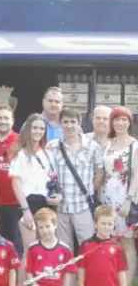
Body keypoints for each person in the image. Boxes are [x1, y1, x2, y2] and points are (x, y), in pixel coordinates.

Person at [9, 113, 60, 286]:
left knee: (42, 250)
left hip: (45, 202)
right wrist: (25, 210)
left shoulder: (46, 152)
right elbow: (16, 185)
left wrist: (56, 196)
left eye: (41, 128)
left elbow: (51, 179)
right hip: (28, 204)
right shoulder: (20, 153)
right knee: (29, 251)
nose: (38, 132)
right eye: (35, 128)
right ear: (27, 129)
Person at [46, 108, 103, 254]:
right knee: (64, 252)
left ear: (79, 123)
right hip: (61, 209)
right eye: (66, 122)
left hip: (82, 207)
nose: (69, 125)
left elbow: (99, 173)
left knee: (89, 250)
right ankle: (69, 278)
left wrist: (89, 191)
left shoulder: (92, 147)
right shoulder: (52, 147)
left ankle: (87, 277)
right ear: (60, 123)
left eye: (73, 122)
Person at [100, 106, 138, 286]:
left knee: (127, 243)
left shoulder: (135, 145)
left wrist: (129, 200)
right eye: (117, 120)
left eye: (125, 120)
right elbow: (103, 173)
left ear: (129, 123)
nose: (121, 123)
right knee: (111, 243)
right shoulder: (107, 144)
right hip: (107, 198)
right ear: (112, 122)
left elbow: (136, 175)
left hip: (124, 199)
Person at [77, 205, 129, 286]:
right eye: (103, 223)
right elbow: (81, 270)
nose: (107, 227)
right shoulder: (86, 245)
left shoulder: (117, 247)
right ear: (95, 224)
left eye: (110, 224)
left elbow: (121, 272)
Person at [23, 208, 75, 286]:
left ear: (55, 225)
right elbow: (29, 270)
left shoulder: (65, 249)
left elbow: (68, 273)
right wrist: (32, 284)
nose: (45, 231)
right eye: (41, 228)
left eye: (47, 226)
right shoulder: (33, 248)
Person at [0, 105, 22, 256]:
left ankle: (15, 278)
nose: (3, 121)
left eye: (6, 118)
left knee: (15, 245)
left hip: (16, 203)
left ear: (12, 121)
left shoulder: (21, 141)